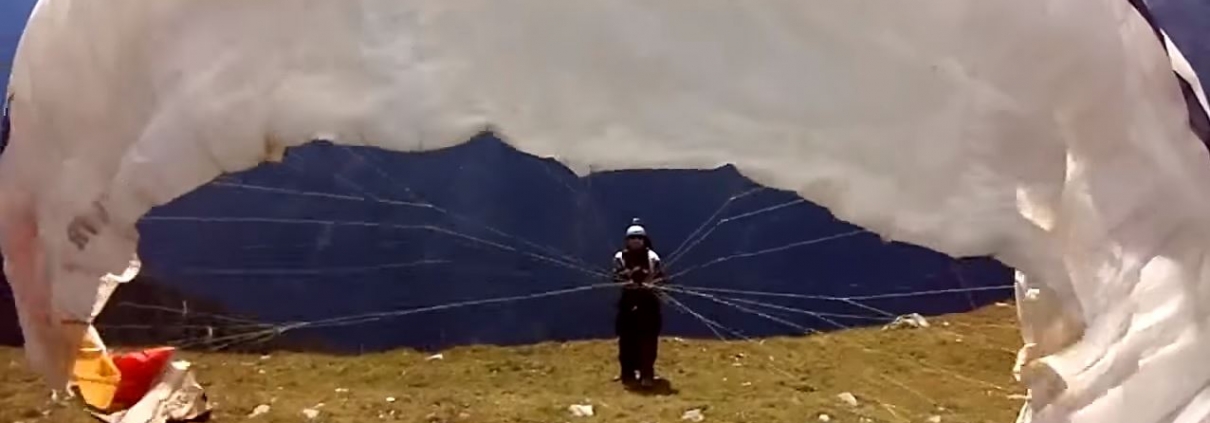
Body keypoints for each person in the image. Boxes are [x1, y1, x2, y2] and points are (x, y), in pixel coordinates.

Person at [612, 218, 665, 388]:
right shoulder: (620, 257)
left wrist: (647, 281)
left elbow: (661, 277)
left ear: (644, 240)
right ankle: (627, 373)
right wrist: (629, 278)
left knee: (648, 340)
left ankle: (646, 373)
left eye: (639, 238)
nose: (636, 241)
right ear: (627, 241)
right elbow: (615, 276)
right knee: (626, 339)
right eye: (632, 238)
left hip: (648, 303)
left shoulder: (652, 258)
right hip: (628, 302)